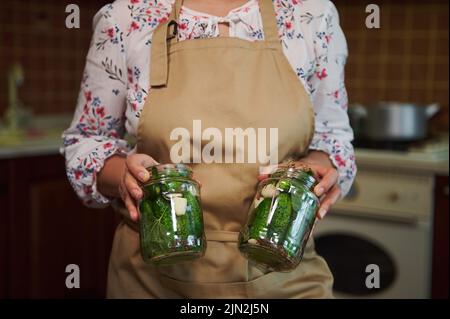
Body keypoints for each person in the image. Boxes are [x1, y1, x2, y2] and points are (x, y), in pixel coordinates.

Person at [61, 0, 356, 298]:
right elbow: (87, 140)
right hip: (154, 275)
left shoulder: (311, 15)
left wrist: (315, 170)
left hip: (282, 268)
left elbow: (332, 139)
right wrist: (125, 174)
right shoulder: (127, 15)